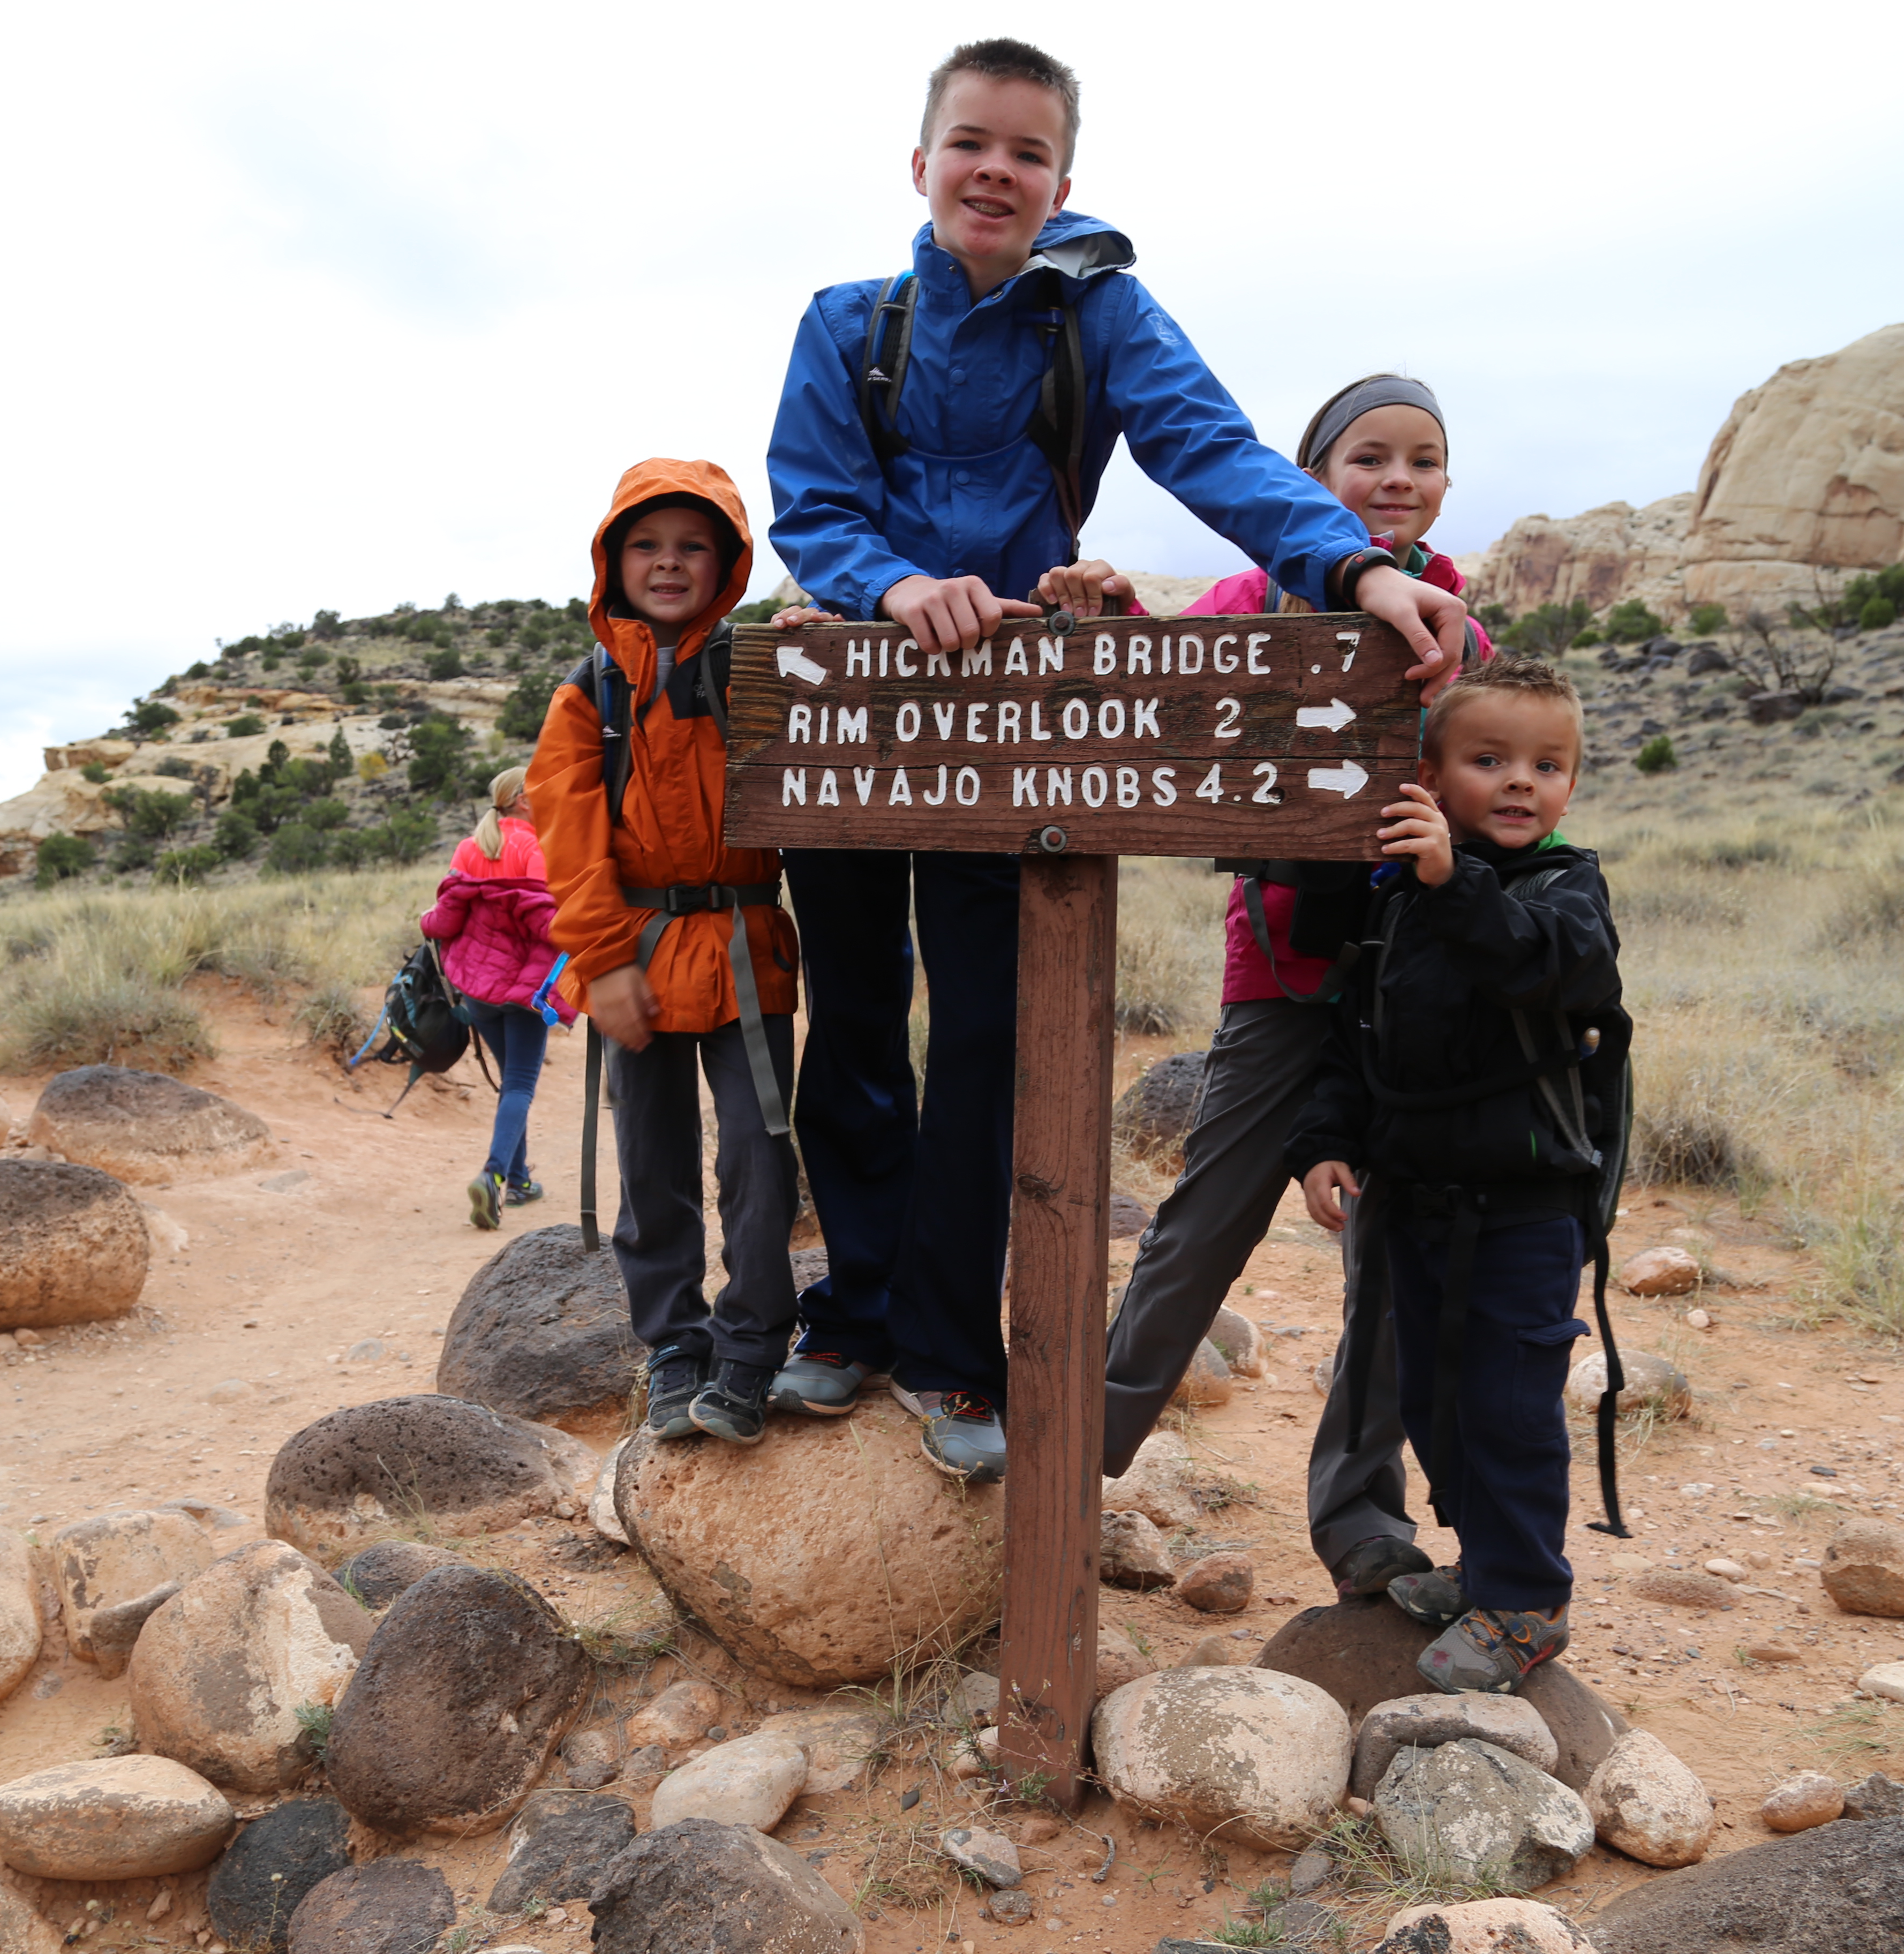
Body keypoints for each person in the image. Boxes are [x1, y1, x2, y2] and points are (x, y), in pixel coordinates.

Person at [762, 38, 1468, 1485]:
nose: (995, 172)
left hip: (1013, 726)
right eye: (971, 144)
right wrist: (895, 586)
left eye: (1026, 154)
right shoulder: (847, 321)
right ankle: (849, 1317)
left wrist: (1351, 570)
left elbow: (1213, 448)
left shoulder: (1101, 316)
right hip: (853, 711)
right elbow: (813, 502)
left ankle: (953, 1351)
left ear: (1062, 181)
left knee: (977, 1044)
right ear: (922, 164)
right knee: (850, 1026)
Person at [1074, 375, 1493, 1609]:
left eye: (1421, 459)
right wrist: (1105, 612)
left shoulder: (1451, 619)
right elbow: (1161, 670)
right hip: (1278, 974)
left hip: (1401, 984)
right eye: (1367, 457)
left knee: (1386, 1243)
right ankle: (1075, 1454)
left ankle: (1361, 1518)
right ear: (1310, 478)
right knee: (1206, 1219)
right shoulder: (1256, 595)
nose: (1395, 480)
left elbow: (1488, 773)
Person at [1286, 655, 1627, 1692]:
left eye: (1549, 765)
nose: (1524, 783)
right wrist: (1323, 1140)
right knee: (1433, 1397)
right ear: (1428, 778)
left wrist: (1455, 879)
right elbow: (1355, 1039)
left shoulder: (1565, 887)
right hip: (1416, 1201)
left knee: (1510, 1408)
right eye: (1491, 760)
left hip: (1526, 1211)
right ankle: (1483, 1568)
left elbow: (1550, 966)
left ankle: (1526, 1603)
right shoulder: (1394, 902)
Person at [528, 460, 801, 1447]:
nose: (669, 563)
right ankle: (674, 1347)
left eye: (692, 545)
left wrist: (819, 654)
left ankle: (749, 1351)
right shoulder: (587, 696)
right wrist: (601, 962)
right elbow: (569, 836)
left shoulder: (759, 665)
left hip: (741, 946)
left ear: (726, 564)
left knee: (758, 1159)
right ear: (613, 562)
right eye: (647, 545)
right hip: (632, 952)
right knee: (652, 1163)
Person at [418, 765, 561, 1230]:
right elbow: (550, 926)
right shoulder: (537, 850)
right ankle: (494, 1175)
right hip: (524, 990)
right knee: (519, 1084)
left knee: (509, 1082)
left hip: (477, 990)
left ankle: (519, 1179)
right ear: (522, 799)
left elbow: (441, 924)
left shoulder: (469, 847)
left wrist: (425, 920)